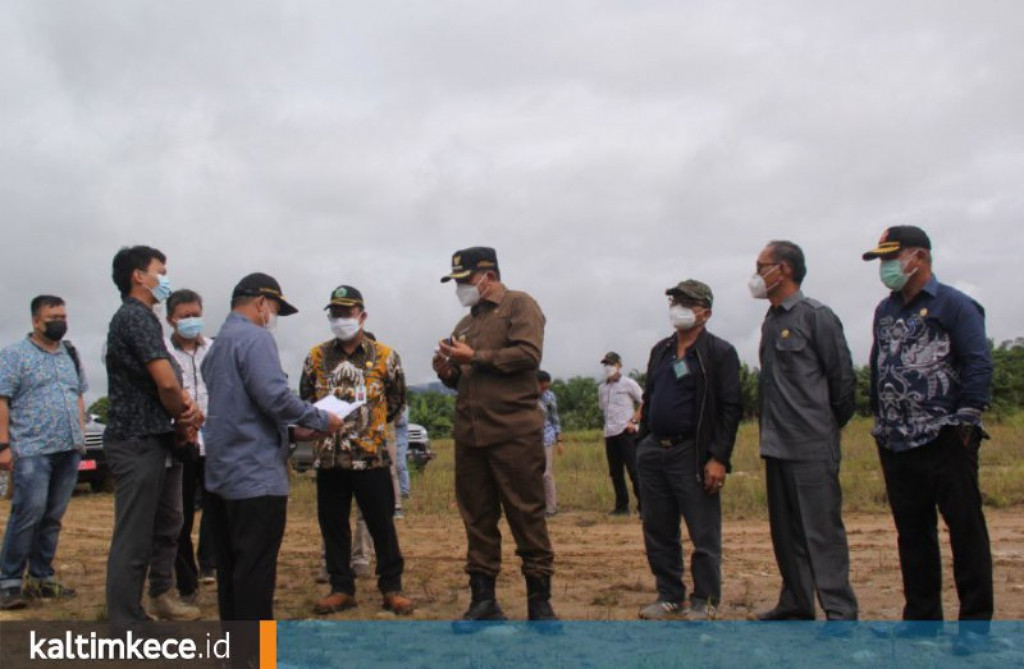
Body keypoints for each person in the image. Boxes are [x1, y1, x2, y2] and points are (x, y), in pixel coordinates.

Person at [862, 226, 993, 650]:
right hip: (896, 440)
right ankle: (922, 619)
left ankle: (974, 627)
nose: (885, 267)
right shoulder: (885, 310)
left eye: (891, 257)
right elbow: (878, 364)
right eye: (881, 260)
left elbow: (977, 362)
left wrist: (966, 421)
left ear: (919, 257)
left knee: (965, 530)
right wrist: (880, 415)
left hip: (944, 437)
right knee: (912, 533)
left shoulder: (954, 305)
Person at [202, 273, 343, 621]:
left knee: (232, 572)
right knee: (255, 572)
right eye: (276, 309)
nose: (274, 318)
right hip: (255, 477)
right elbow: (274, 396)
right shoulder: (255, 339)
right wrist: (320, 419)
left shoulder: (217, 344)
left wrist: (292, 433)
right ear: (262, 304)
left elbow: (241, 408)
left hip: (223, 474)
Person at [433, 246, 557, 622]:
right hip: (471, 438)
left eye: (464, 280)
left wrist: (476, 358)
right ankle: (483, 601)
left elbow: (528, 355)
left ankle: (540, 603)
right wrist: (447, 369)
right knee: (478, 518)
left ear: (487, 275)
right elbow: (465, 379)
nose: (460, 288)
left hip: (513, 434)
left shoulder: (520, 306)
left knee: (526, 514)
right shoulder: (465, 324)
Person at [751, 240, 858, 623]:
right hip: (776, 444)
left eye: (761, 265)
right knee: (787, 533)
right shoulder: (771, 320)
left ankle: (840, 611)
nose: (756, 274)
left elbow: (842, 382)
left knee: (821, 532)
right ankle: (796, 602)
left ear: (784, 270)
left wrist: (824, 427)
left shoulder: (817, 316)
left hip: (811, 444)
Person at [299, 285, 415, 616]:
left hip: (370, 457)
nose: (340, 319)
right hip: (330, 458)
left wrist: (368, 428)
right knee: (333, 525)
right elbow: (306, 399)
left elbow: (395, 401)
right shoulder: (316, 357)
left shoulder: (385, 356)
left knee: (382, 524)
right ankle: (341, 588)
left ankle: (391, 587)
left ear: (362, 316)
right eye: (334, 313)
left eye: (347, 312)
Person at [103, 246, 202, 623]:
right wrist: (185, 414)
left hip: (160, 439)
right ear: (138, 277)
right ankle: (125, 620)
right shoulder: (134, 318)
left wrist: (181, 416)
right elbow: (165, 383)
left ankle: (162, 594)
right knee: (134, 535)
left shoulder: (147, 320)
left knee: (167, 525)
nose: (166, 278)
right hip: (137, 439)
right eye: (161, 271)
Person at [635, 280, 742, 620]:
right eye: (675, 301)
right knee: (658, 528)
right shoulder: (661, 350)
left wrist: (718, 458)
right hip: (654, 451)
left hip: (691, 452)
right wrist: (643, 443)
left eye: (687, 303)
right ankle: (670, 595)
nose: (678, 308)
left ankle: (705, 600)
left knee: (703, 531)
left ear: (705, 313)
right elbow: (650, 397)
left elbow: (730, 408)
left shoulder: (719, 353)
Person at [0, 295, 87, 610]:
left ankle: (41, 577)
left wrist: (79, 435)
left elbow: (77, 394)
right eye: (53, 316)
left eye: (63, 315)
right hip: (32, 449)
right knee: (28, 512)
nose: (60, 321)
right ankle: (8, 581)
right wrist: (4, 446)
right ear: (36, 321)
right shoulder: (14, 355)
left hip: (68, 448)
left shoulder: (70, 354)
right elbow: (2, 400)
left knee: (52, 517)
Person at [163, 289, 216, 605]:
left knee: (216, 508)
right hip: (181, 442)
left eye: (196, 313)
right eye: (185, 315)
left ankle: (210, 563)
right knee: (179, 514)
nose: (191, 320)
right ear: (171, 319)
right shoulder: (162, 353)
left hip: (214, 441)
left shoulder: (214, 348)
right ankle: (186, 580)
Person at [597, 352, 643, 515]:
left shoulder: (628, 383)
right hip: (610, 433)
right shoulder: (602, 388)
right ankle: (622, 506)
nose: (607, 367)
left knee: (634, 470)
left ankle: (644, 506)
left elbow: (645, 402)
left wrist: (634, 422)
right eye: (605, 364)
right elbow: (603, 408)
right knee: (615, 472)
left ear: (619, 366)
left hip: (626, 432)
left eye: (611, 364)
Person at [537, 371, 563, 517]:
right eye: (542, 386)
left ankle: (551, 508)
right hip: (529, 440)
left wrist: (559, 440)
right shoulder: (526, 396)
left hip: (546, 438)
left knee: (546, 473)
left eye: (547, 386)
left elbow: (555, 419)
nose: (545, 389)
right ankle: (538, 505)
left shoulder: (549, 397)